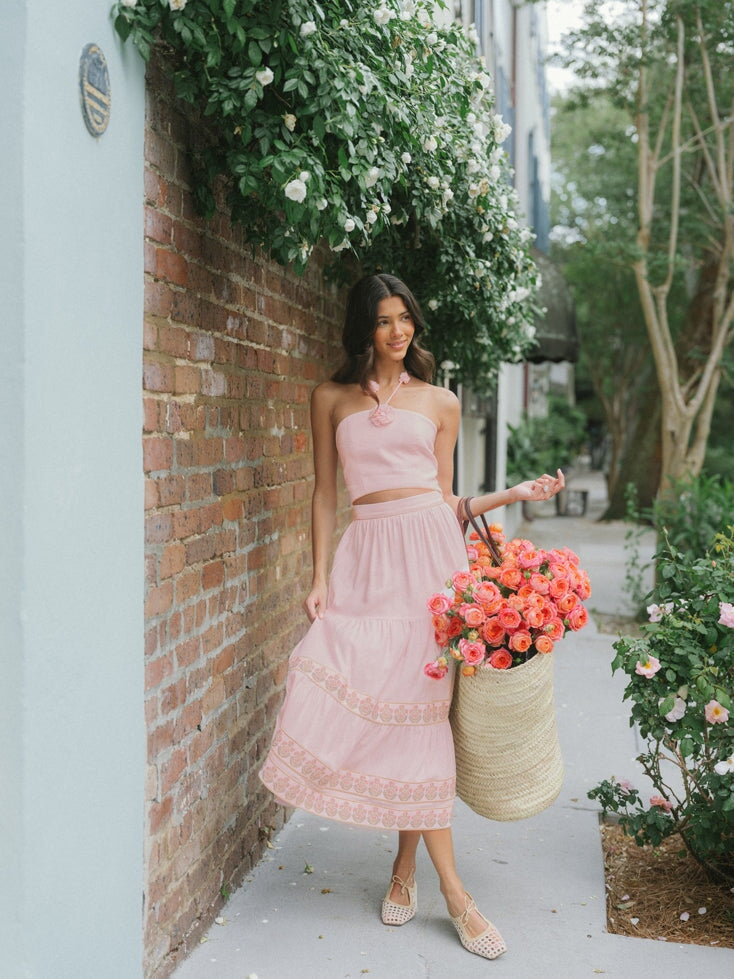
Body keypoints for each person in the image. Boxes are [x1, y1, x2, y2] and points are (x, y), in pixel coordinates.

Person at [259, 273, 564, 960]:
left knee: (422, 716)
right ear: (362, 329)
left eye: (405, 318)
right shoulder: (330, 398)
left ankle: (440, 886)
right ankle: (416, 874)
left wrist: (512, 494)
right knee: (360, 688)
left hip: (430, 563)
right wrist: (317, 576)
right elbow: (324, 495)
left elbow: (446, 501)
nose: (398, 332)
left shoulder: (440, 401)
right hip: (366, 564)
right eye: (383, 321)